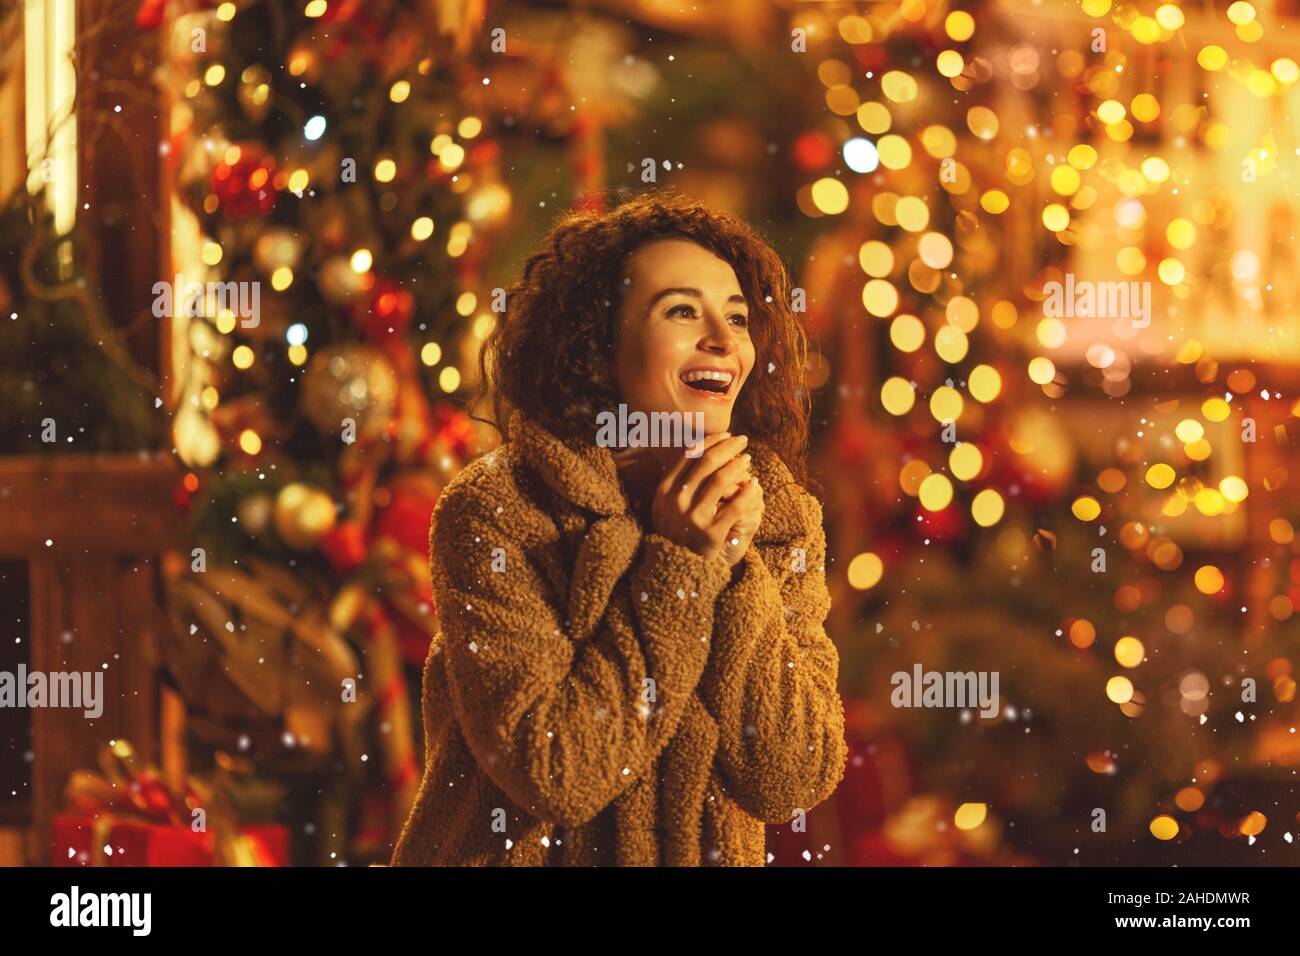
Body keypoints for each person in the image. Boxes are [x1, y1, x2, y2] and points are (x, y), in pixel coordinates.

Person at [389, 187, 847, 866]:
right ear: (599, 348)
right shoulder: (498, 509)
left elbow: (794, 775)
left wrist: (730, 567)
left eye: (738, 317)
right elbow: (556, 770)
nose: (724, 341)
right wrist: (683, 569)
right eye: (682, 311)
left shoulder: (776, 517)